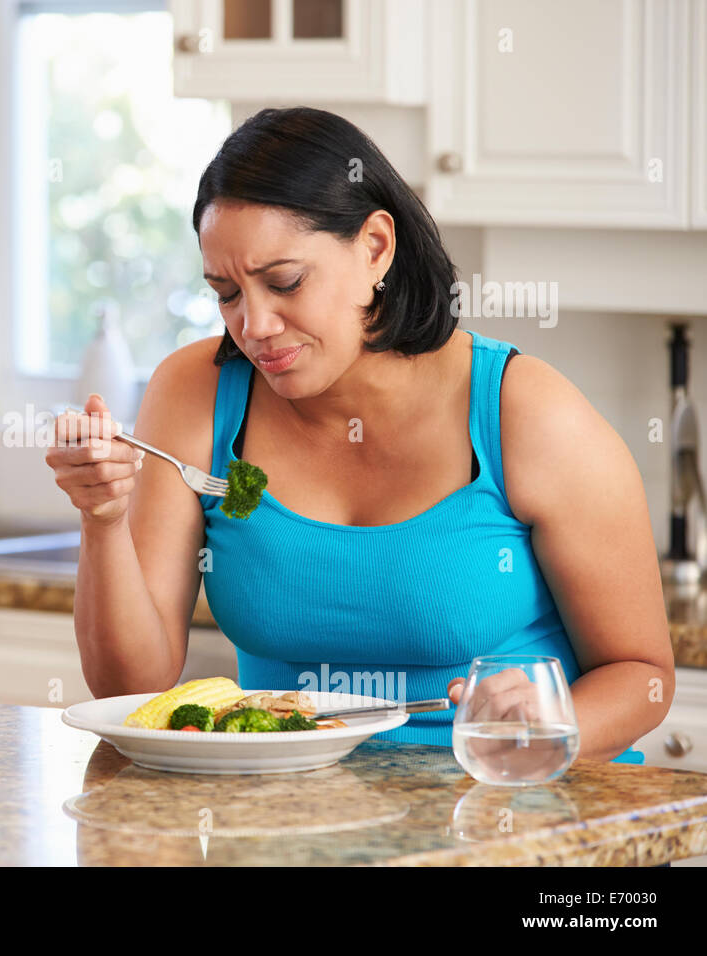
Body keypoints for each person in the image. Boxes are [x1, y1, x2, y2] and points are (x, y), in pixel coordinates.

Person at [44, 107, 673, 763]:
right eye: (225, 292)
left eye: (284, 281)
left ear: (375, 247)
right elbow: (131, 688)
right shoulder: (195, 392)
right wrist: (104, 518)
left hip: (508, 807)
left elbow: (645, 678)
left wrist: (552, 723)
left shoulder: (525, 412)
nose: (252, 324)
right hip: (291, 824)